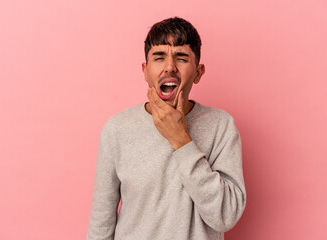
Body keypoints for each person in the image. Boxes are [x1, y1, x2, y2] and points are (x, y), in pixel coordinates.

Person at [86, 17, 246, 240]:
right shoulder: (117, 129)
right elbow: (101, 223)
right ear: (145, 70)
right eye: (159, 57)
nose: (169, 67)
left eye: (181, 57)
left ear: (198, 73)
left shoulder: (221, 126)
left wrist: (181, 140)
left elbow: (225, 216)